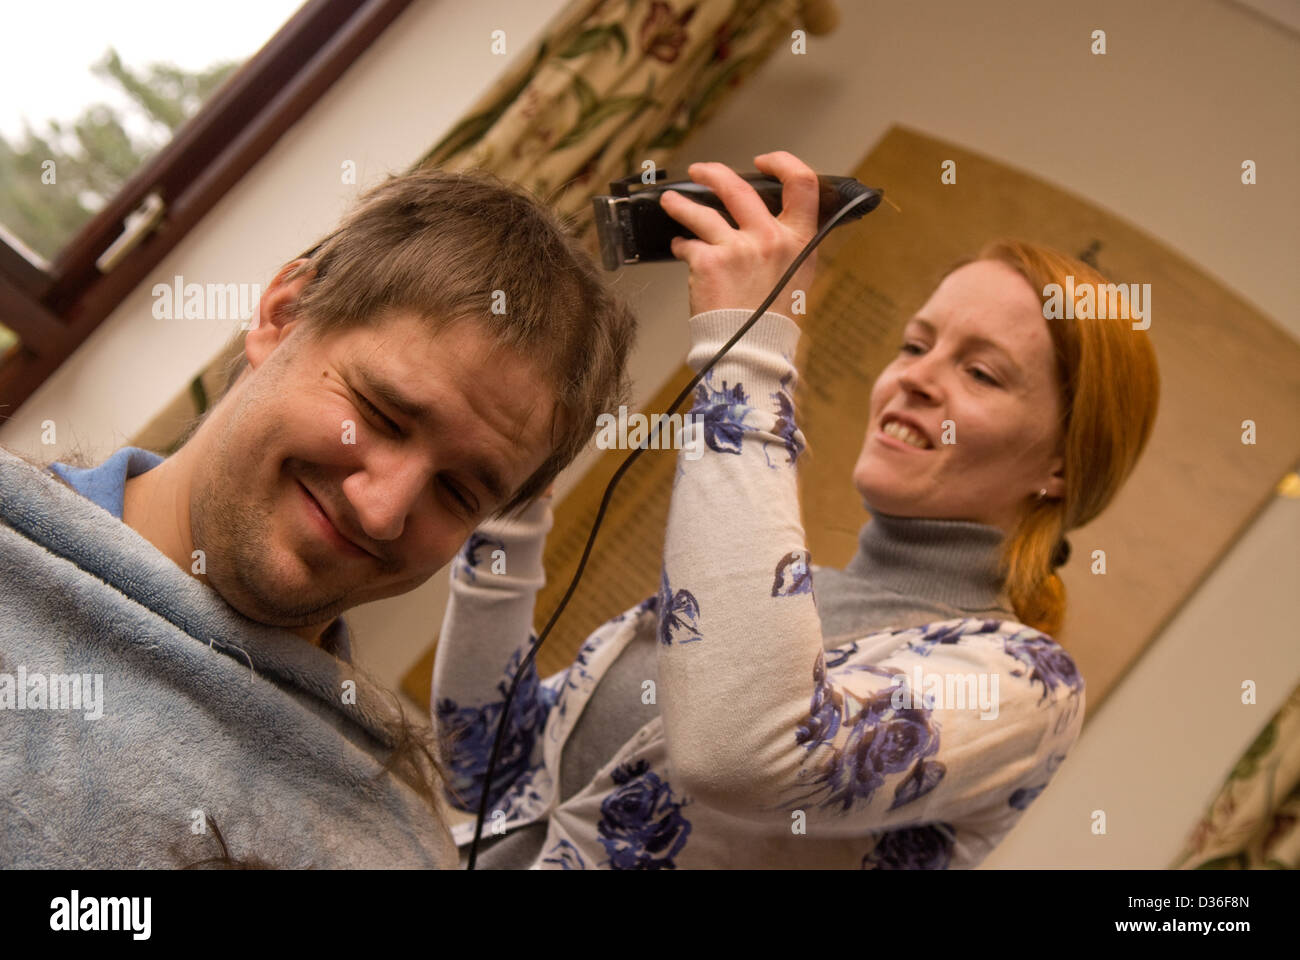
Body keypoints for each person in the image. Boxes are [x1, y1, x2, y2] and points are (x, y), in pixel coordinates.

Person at [434, 151, 1161, 869]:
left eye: (980, 372)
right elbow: (484, 761)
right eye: (916, 344)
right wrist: (514, 502)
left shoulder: (1027, 684)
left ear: (1062, 466)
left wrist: (746, 349)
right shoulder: (782, 597)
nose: (916, 379)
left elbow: (740, 752)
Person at [0, 168, 637, 868]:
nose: (383, 508)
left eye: (457, 493)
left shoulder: (384, 849)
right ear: (283, 314)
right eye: (381, 413)